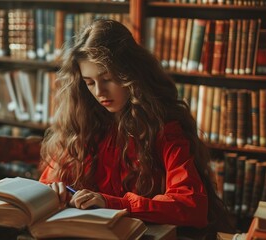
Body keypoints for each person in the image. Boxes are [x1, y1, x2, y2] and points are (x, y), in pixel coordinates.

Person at [39, 18, 234, 238]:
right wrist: (52, 193)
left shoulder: (164, 127)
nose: (99, 92)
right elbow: (48, 183)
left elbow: (191, 206)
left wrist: (114, 204)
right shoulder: (79, 125)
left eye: (107, 78)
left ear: (130, 74)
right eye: (89, 82)